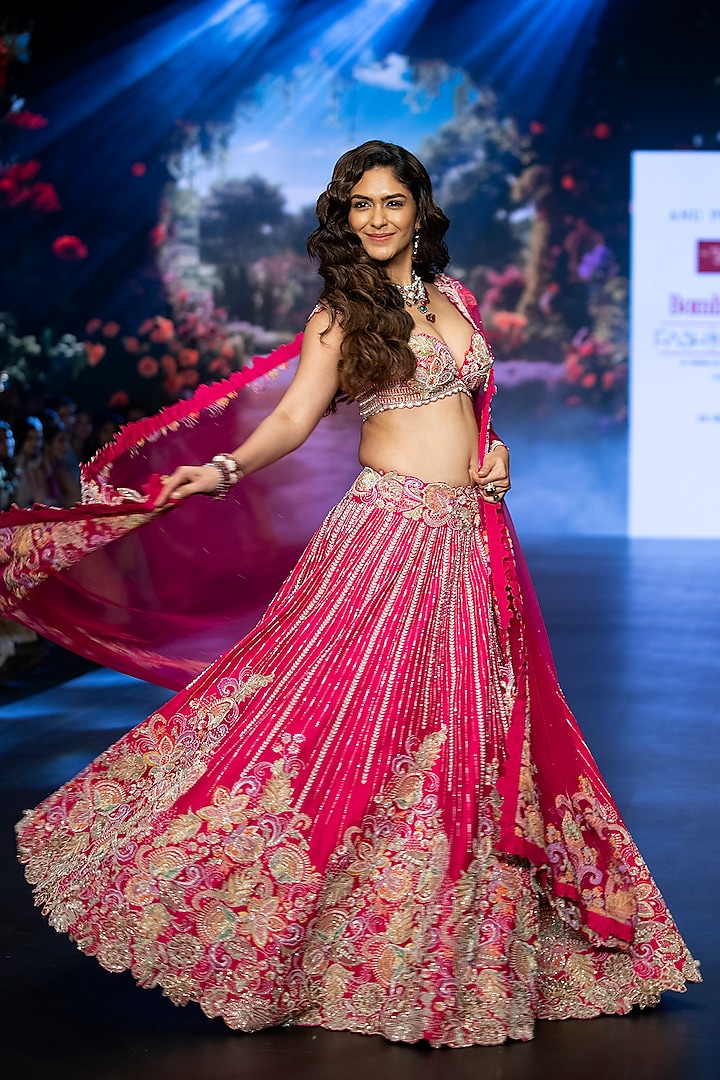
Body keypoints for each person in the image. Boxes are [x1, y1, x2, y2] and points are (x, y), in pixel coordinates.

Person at [12, 142, 698, 1048]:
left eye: (391, 201)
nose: (376, 218)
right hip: (384, 538)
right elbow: (293, 420)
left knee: (465, 739)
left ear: (420, 208)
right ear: (346, 217)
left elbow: (469, 413)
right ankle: (278, 924)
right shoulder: (342, 313)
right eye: (360, 205)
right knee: (333, 723)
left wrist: (495, 458)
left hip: (466, 540)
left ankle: (438, 949)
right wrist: (218, 467)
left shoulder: (454, 301)